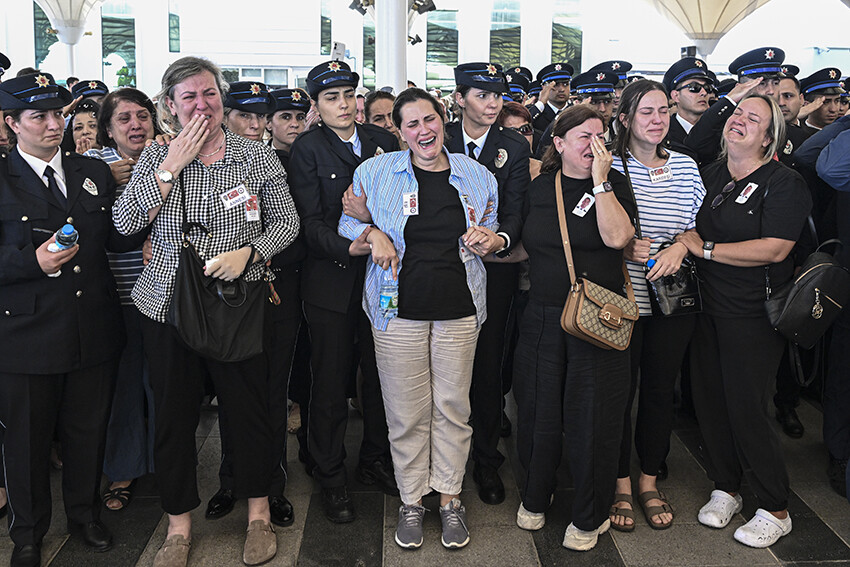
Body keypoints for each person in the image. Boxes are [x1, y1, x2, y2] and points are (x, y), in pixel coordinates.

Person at [113, 56, 300, 567]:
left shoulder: (254, 156)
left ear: (222, 99)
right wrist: (170, 165)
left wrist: (252, 253)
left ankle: (258, 514)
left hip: (236, 304)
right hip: (167, 306)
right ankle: (178, 526)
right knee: (173, 418)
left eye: (209, 94)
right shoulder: (156, 157)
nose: (202, 105)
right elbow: (125, 222)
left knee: (251, 412)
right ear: (170, 107)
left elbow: (287, 222)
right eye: (189, 97)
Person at [339, 87, 502, 550]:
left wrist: (491, 237)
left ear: (442, 119)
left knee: (453, 408)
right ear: (399, 130)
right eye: (410, 124)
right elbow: (345, 223)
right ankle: (412, 499)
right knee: (406, 413)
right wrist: (372, 232)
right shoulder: (374, 171)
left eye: (428, 120)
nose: (422, 131)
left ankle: (450, 499)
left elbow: (493, 223)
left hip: (460, 308)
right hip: (396, 312)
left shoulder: (477, 175)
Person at [0, 72, 147, 567]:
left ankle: (84, 516)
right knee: (26, 442)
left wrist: (156, 210)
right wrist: (29, 263)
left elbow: (116, 238)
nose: (52, 124)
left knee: (88, 432)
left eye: (57, 114)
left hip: (92, 326)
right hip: (27, 333)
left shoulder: (92, 170)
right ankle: (28, 534)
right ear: (11, 123)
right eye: (38, 116)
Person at [675, 95, 811, 548]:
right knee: (709, 402)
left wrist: (707, 249)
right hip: (704, 308)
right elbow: (684, 226)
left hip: (752, 314)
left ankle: (775, 506)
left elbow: (775, 248)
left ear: (769, 137)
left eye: (754, 119)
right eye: (737, 113)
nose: (740, 121)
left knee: (747, 407)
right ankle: (726, 486)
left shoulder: (783, 182)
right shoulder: (709, 175)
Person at [513, 105, 635, 551]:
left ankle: (589, 513)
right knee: (538, 412)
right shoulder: (540, 187)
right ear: (559, 144)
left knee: (594, 418)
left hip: (598, 319)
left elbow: (618, 238)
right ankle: (535, 496)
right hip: (545, 315)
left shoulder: (615, 184)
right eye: (584, 137)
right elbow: (527, 246)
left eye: (601, 136)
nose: (595, 145)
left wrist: (602, 182)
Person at [287, 59, 399, 524]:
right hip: (332, 279)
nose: (344, 105)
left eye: (350, 95)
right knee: (330, 381)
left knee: (379, 376)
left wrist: (373, 222)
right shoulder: (308, 150)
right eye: (332, 98)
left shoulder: (382, 142)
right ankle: (330, 474)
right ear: (316, 105)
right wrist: (351, 243)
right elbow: (307, 223)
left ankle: (375, 459)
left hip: (383, 279)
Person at [608, 80, 705, 532]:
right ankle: (620, 482)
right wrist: (624, 247)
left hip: (673, 301)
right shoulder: (609, 167)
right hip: (623, 301)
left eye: (663, 111)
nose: (657, 120)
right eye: (646, 112)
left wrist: (681, 247)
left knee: (659, 391)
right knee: (618, 393)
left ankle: (649, 478)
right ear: (625, 118)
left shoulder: (685, 165)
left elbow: (701, 226)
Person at [205, 80, 296, 528]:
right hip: (227, 296)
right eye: (246, 115)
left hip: (276, 291)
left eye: (263, 116)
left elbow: (292, 225)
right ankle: (230, 480)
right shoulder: (208, 163)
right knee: (232, 393)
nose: (256, 125)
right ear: (225, 115)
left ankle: (271, 485)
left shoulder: (281, 160)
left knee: (270, 393)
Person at [445, 62, 531, 506]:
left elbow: (516, 207)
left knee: (488, 363)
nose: (493, 103)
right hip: (440, 268)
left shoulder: (511, 146)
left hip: (492, 268)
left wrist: (501, 238)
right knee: (441, 368)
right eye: (482, 94)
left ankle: (485, 459)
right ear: (460, 99)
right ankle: (442, 467)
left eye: (498, 95)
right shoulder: (436, 135)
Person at [83, 87, 159, 512]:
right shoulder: (93, 166)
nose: (136, 125)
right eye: (124, 119)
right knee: (126, 386)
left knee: (166, 385)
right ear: (107, 130)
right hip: (123, 294)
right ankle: (124, 468)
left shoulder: (173, 153)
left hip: (170, 292)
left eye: (142, 116)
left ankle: (170, 464)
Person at [663, 57, 713, 146]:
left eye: (706, 88)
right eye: (694, 87)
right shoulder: (663, 132)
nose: (704, 93)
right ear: (675, 96)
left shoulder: (717, 130)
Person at [528, 62, 574, 132]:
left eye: (565, 84)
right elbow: (522, 124)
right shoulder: (536, 111)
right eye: (555, 85)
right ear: (544, 88)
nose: (562, 89)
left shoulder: (575, 111)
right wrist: (540, 103)